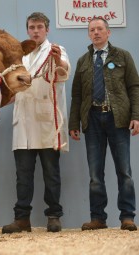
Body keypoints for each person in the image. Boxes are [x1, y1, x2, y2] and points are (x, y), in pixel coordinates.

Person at [2, 12, 71, 234]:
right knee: (23, 176)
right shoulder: (19, 56)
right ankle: (22, 219)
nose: (35, 31)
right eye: (32, 27)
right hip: (23, 122)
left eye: (39, 27)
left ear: (47, 30)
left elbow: (64, 70)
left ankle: (53, 216)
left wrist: (58, 59)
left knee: (51, 173)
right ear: (27, 30)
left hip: (46, 122)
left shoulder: (56, 50)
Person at [69, 17, 139, 231]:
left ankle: (127, 217)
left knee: (124, 171)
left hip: (117, 119)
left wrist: (136, 116)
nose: (96, 33)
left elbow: (134, 87)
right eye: (92, 30)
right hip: (92, 120)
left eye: (100, 29)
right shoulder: (83, 61)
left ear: (108, 33)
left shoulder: (123, 56)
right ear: (89, 34)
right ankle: (98, 218)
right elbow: (77, 95)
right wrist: (74, 122)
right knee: (95, 174)